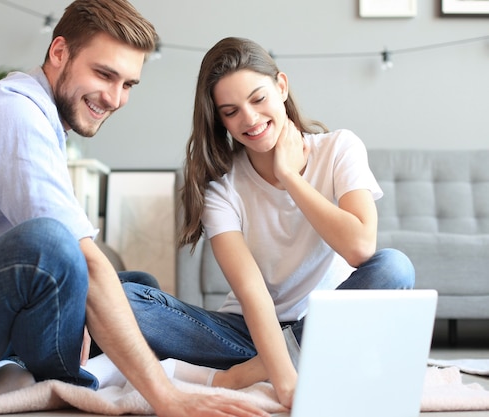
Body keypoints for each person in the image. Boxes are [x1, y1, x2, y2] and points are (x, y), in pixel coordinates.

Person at [0, 2, 271, 415]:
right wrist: (166, 399)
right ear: (59, 52)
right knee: (53, 246)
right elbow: (75, 257)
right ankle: (72, 384)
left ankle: (30, 368)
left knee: (134, 287)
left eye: (128, 84)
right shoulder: (12, 113)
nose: (114, 98)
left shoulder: (41, 119)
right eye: (104, 74)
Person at [123, 36, 415, 410]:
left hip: (326, 321)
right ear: (219, 118)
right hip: (247, 333)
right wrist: (285, 381)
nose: (249, 119)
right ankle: (294, 359)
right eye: (230, 111)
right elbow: (252, 292)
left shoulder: (340, 148)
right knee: (125, 299)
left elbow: (360, 248)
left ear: (281, 86)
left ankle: (247, 372)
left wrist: (290, 178)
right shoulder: (222, 187)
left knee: (394, 267)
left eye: (258, 99)